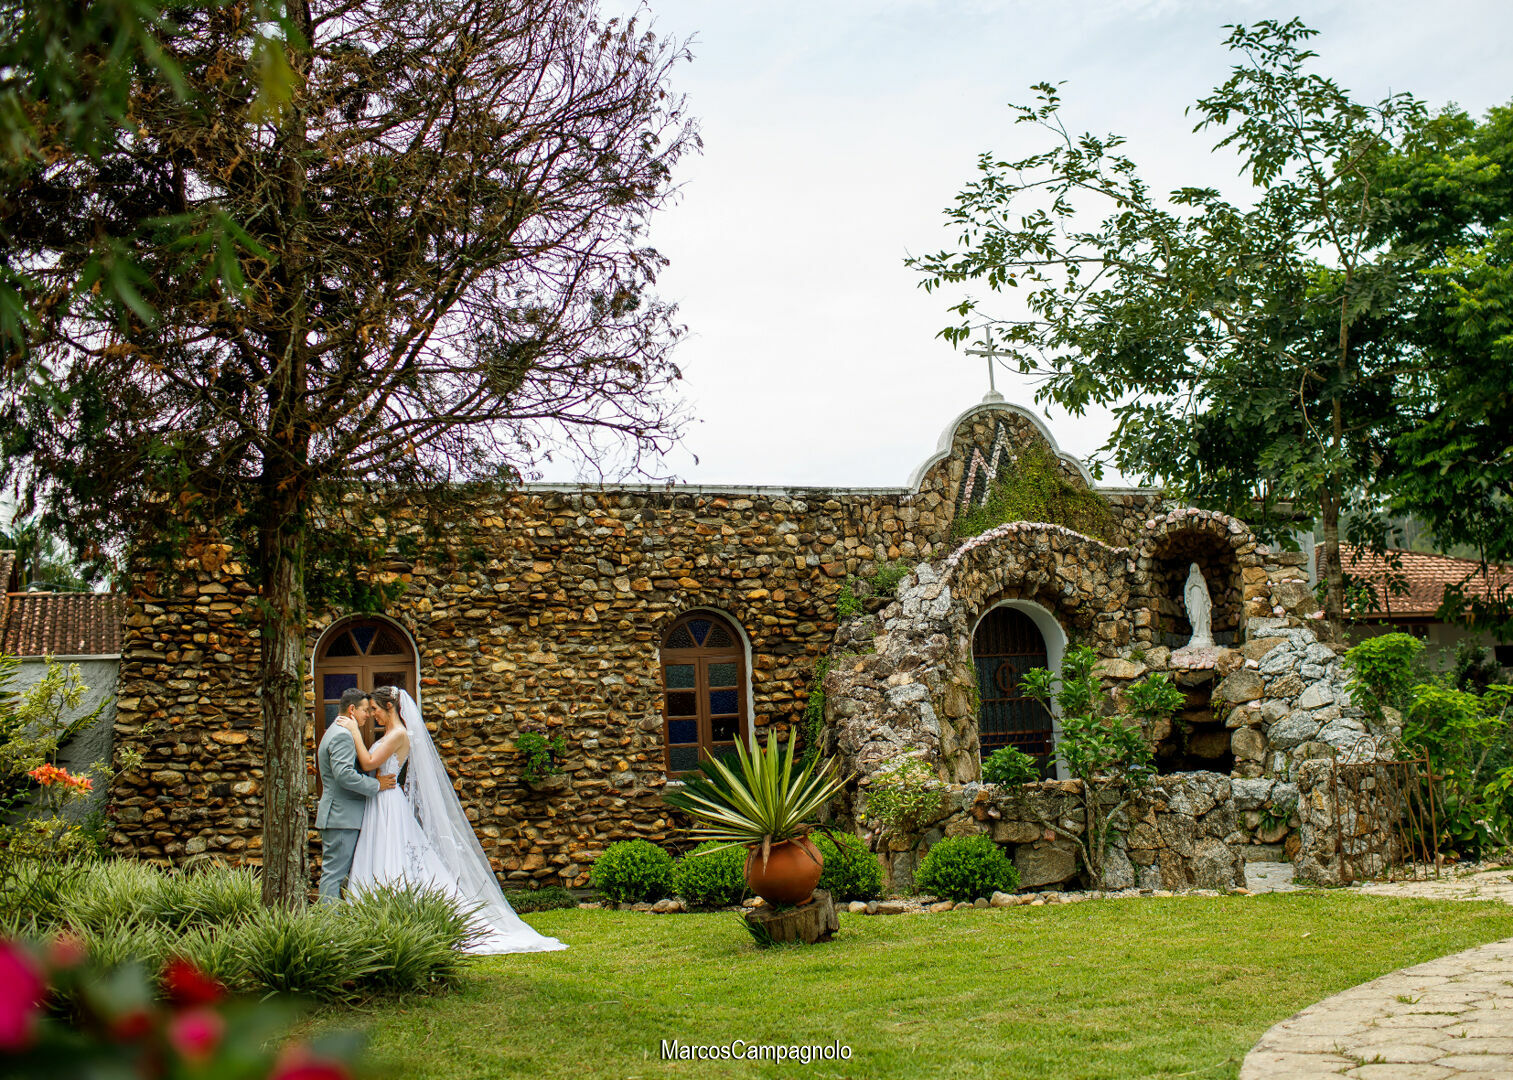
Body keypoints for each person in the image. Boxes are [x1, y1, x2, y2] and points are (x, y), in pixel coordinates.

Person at [336, 686, 566, 954]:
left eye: (375, 709)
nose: (373, 714)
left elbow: (368, 762)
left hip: (388, 802)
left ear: (390, 707)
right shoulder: (390, 733)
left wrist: (353, 731)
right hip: (382, 798)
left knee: (394, 854)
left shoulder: (399, 733)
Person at [315, 688, 397, 902]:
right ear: (352, 710)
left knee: (339, 876)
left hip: (342, 816)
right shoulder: (342, 735)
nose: (368, 715)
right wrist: (375, 785)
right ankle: (328, 929)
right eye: (364, 710)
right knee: (334, 876)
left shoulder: (337, 731)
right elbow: (344, 776)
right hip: (341, 817)